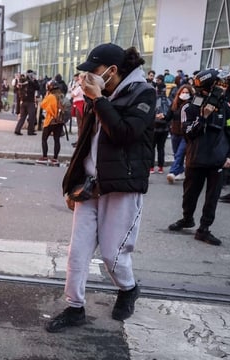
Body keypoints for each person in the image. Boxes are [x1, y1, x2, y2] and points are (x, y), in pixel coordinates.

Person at [46, 43, 155, 333]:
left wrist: (98, 100)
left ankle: (128, 288)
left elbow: (124, 134)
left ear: (112, 71)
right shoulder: (99, 96)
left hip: (122, 185)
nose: (88, 78)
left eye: (93, 72)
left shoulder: (144, 93)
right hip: (91, 184)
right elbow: (85, 142)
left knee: (113, 253)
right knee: (77, 251)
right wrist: (73, 183)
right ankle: (74, 307)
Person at [168, 69, 230, 246]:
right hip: (196, 159)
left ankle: (204, 229)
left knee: (212, 197)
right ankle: (187, 219)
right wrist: (203, 117)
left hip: (218, 160)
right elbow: (187, 133)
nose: (222, 87)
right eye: (217, 84)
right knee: (190, 195)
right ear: (206, 87)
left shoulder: (224, 106)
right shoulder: (190, 107)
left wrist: (229, 156)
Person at [166, 84, 195, 183]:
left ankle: (172, 172)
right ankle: (181, 171)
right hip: (175, 132)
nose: (185, 94)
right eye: (183, 92)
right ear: (179, 93)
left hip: (186, 134)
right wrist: (162, 117)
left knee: (180, 153)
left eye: (187, 92)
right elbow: (168, 116)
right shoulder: (175, 104)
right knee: (176, 153)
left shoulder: (192, 104)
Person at [37, 80, 65, 164]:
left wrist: (46, 95)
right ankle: (55, 158)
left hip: (50, 120)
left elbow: (42, 104)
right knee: (57, 140)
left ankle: (45, 156)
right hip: (59, 121)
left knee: (44, 139)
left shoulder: (50, 97)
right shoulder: (61, 96)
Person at [151, 80, 171, 174]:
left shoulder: (153, 99)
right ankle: (160, 167)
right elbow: (171, 112)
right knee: (161, 148)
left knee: (152, 147)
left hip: (154, 127)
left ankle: (151, 167)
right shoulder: (168, 100)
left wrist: (155, 116)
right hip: (165, 127)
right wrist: (164, 116)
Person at [14, 70, 38, 135]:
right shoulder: (31, 82)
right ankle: (30, 131)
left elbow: (17, 89)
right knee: (31, 117)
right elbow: (37, 87)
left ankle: (17, 129)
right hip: (30, 102)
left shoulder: (23, 80)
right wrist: (35, 80)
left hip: (23, 101)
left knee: (23, 117)